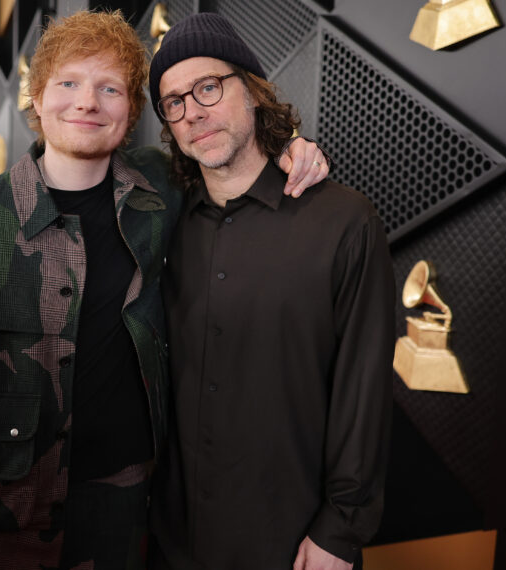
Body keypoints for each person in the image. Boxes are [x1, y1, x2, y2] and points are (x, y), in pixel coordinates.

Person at [0, 10, 328, 570]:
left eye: (109, 88)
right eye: (68, 84)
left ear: (130, 113)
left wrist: (289, 148)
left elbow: (228, 151)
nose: (87, 102)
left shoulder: (162, 185)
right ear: (36, 97)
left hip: (129, 506)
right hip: (8, 510)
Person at [147, 13, 396, 570]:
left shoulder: (344, 221)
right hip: (172, 542)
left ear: (254, 91)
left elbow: (365, 387)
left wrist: (341, 528)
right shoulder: (165, 223)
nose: (194, 112)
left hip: (292, 544)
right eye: (174, 102)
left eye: (208, 87)